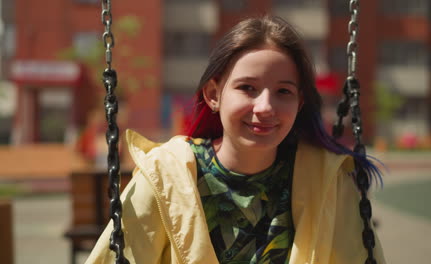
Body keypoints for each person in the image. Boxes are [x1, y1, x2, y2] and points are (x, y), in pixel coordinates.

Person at [86, 16, 386, 264]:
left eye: (283, 91)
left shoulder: (329, 182)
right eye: (248, 88)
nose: (265, 107)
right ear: (214, 94)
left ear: (300, 102)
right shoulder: (165, 177)